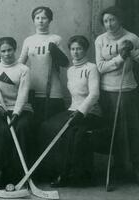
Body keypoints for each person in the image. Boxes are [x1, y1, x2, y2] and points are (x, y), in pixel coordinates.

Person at [95, 6, 139, 186]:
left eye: (112, 20)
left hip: (127, 91)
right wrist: (120, 58)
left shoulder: (131, 37)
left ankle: (136, 167)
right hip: (107, 92)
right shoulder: (100, 40)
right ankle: (115, 168)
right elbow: (101, 67)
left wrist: (133, 52)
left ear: (120, 20)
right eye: (105, 21)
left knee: (131, 130)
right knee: (112, 131)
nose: (109, 24)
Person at [40, 35, 102, 187]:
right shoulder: (70, 70)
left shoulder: (91, 68)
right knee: (47, 127)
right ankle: (55, 170)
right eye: (73, 49)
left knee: (73, 132)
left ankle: (72, 174)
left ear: (85, 50)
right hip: (72, 109)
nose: (76, 52)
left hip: (90, 112)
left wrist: (81, 112)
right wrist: (75, 111)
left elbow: (94, 94)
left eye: (79, 49)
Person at [18, 6, 69, 171]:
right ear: (33, 20)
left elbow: (65, 63)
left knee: (51, 131)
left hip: (52, 92)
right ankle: (35, 169)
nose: (41, 21)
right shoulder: (29, 40)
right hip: (33, 91)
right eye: (38, 18)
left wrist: (55, 51)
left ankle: (52, 168)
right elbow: (20, 64)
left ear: (50, 20)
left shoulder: (56, 39)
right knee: (33, 130)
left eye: (44, 18)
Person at [0, 37, 33, 188]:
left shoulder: (23, 69)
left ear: (15, 50)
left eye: (9, 50)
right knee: (1, 130)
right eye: (3, 51)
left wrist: (17, 113)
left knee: (22, 128)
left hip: (21, 109)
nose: (7, 54)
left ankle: (21, 175)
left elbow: (23, 94)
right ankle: (0, 172)